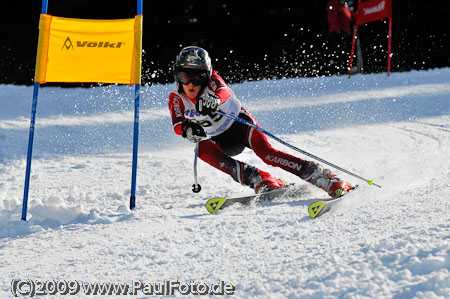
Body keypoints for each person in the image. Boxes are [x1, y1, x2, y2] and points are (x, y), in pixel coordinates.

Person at [168, 46, 352, 198]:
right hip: (220, 138)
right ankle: (258, 179)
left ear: (206, 76)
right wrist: (188, 128)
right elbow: (177, 124)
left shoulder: (214, 82)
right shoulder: (176, 97)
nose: (190, 84)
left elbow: (223, 92)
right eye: (185, 77)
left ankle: (325, 178)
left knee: (267, 153)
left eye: (196, 78)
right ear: (178, 77)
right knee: (202, 149)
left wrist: (214, 100)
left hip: (241, 125)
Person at [327, 0, 356, 74]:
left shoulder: (345, 6)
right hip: (337, 32)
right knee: (338, 51)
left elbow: (350, 16)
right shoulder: (334, 4)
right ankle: (336, 70)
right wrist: (337, 30)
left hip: (346, 32)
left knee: (345, 51)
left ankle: (345, 69)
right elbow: (332, 18)